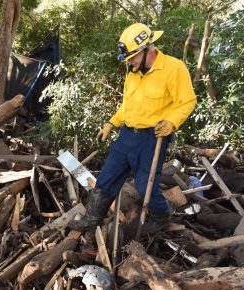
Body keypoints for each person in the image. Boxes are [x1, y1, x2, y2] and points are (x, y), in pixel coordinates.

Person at [68, 23, 196, 234]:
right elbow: (127, 107)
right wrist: (112, 123)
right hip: (127, 134)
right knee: (107, 177)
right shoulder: (133, 75)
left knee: (145, 186)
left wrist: (172, 122)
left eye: (133, 57)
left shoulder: (174, 68)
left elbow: (187, 101)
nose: (131, 63)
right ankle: (92, 218)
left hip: (152, 137)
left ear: (148, 49)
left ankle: (162, 216)